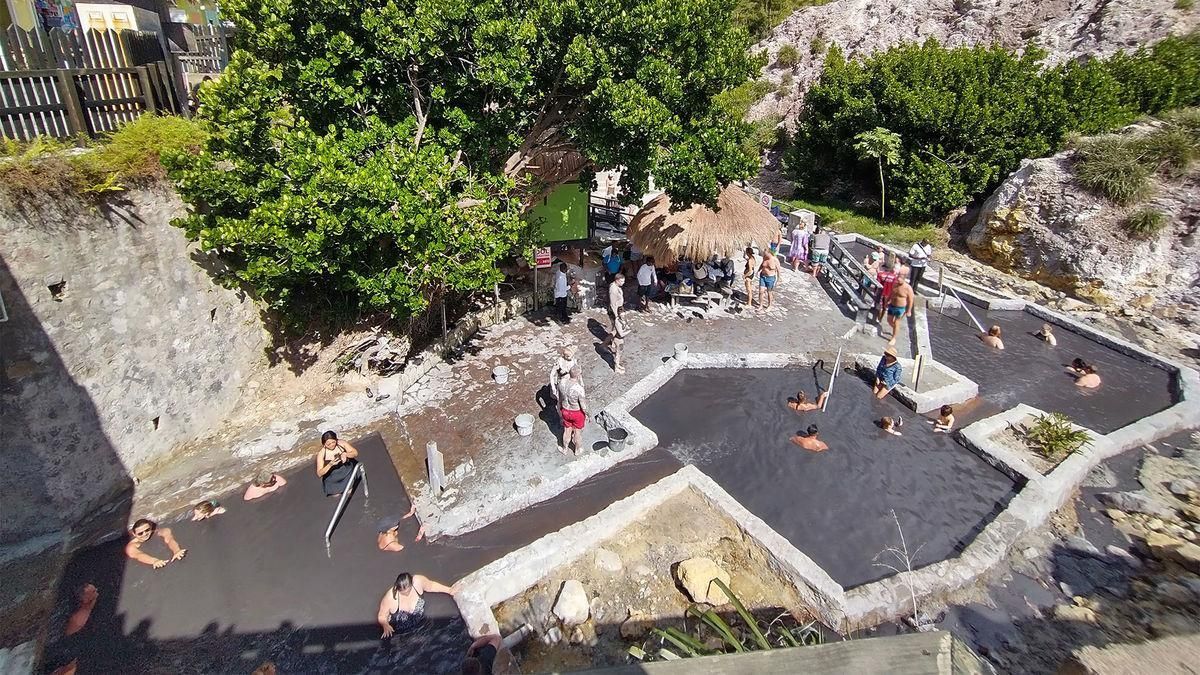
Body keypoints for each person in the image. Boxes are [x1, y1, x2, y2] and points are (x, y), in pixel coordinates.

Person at [377, 572, 454, 639]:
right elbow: (382, 615)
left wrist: (449, 590)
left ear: (412, 584)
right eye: (403, 593)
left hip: (421, 622)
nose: (406, 594)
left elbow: (431, 586)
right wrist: (385, 625)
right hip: (401, 630)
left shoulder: (418, 581)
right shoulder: (390, 598)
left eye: (408, 591)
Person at [315, 431, 360, 497]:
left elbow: (355, 453)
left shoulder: (341, 443)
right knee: (336, 495)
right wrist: (330, 464)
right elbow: (319, 473)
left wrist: (346, 454)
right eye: (328, 444)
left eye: (333, 442)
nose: (332, 445)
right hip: (332, 477)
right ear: (324, 444)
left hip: (346, 471)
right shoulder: (321, 454)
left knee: (350, 490)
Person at [558, 367, 588, 456]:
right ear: (579, 375)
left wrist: (560, 410)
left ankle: (565, 449)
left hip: (565, 410)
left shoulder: (561, 383)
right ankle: (577, 450)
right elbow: (583, 406)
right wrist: (587, 414)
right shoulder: (579, 388)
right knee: (577, 432)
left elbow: (559, 399)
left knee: (567, 430)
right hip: (576, 412)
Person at [884, 276, 914, 345]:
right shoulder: (895, 284)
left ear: (904, 279)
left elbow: (910, 300)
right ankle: (896, 329)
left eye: (900, 280)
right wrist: (887, 301)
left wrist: (909, 310)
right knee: (889, 320)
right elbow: (891, 293)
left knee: (897, 322)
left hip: (900, 308)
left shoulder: (908, 288)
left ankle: (894, 337)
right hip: (892, 305)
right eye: (897, 279)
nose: (898, 281)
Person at [604, 274, 626, 350]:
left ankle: (612, 341)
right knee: (616, 328)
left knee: (616, 328)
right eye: (621, 281)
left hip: (618, 309)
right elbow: (613, 304)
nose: (623, 283)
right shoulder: (613, 289)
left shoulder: (616, 286)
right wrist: (616, 316)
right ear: (617, 280)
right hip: (615, 311)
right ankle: (605, 344)